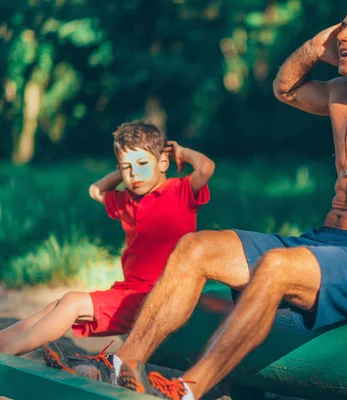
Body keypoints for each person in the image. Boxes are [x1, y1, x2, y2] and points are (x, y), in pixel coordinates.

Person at [46, 1, 347, 399]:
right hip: (321, 242)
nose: (343, 37)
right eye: (342, 28)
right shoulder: (340, 96)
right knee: (195, 247)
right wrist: (315, 47)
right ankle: (123, 362)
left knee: (274, 267)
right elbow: (285, 87)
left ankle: (189, 389)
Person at [0, 121, 214, 368]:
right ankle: (2, 341)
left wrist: (179, 152)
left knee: (71, 301)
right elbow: (95, 190)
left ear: (163, 162)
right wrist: (125, 168)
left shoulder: (179, 191)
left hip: (158, 295)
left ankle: (7, 353)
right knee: (55, 306)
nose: (134, 174)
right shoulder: (127, 200)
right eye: (127, 168)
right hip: (129, 291)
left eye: (143, 164)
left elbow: (207, 168)